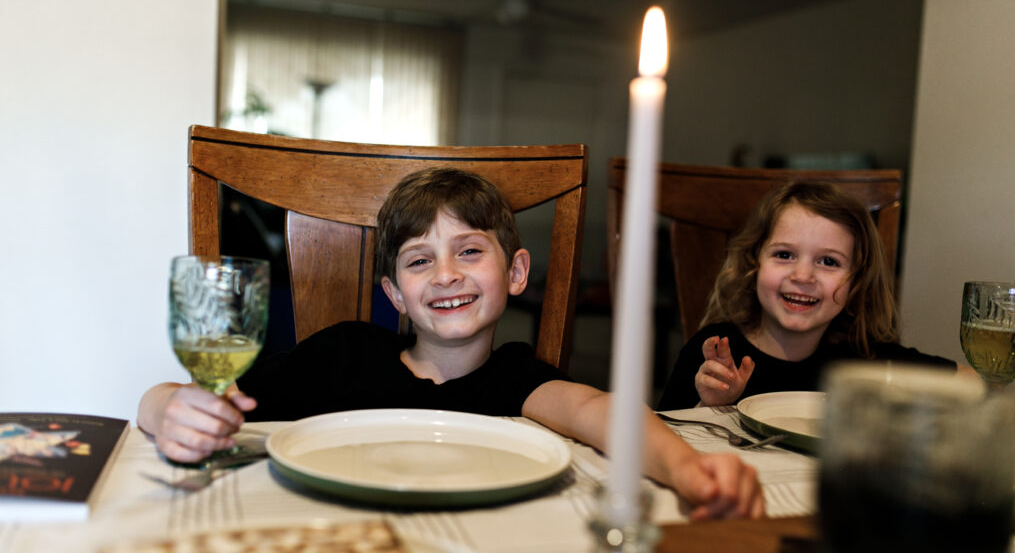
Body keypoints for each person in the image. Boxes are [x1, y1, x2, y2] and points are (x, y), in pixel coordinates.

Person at [139, 167, 763, 520]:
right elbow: (190, 403)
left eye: (469, 251)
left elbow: (600, 412)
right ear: (393, 294)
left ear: (516, 273)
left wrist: (687, 467)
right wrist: (169, 408)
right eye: (419, 261)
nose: (446, 275)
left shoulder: (515, 379)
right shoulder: (343, 354)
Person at [658, 181, 957, 410]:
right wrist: (710, 407)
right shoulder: (712, 353)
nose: (802, 276)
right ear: (754, 263)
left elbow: (979, 384)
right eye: (784, 254)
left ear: (857, 283)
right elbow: (663, 443)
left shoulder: (866, 361)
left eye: (829, 261)